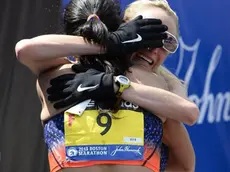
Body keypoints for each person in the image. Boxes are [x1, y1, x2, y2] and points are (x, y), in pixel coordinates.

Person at [15, 0, 199, 172]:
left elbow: (189, 113)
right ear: (124, 29)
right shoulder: (155, 87)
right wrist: (111, 44)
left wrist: (115, 84)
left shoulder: (54, 75)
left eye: (167, 41)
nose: (153, 47)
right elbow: (184, 163)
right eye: (144, 34)